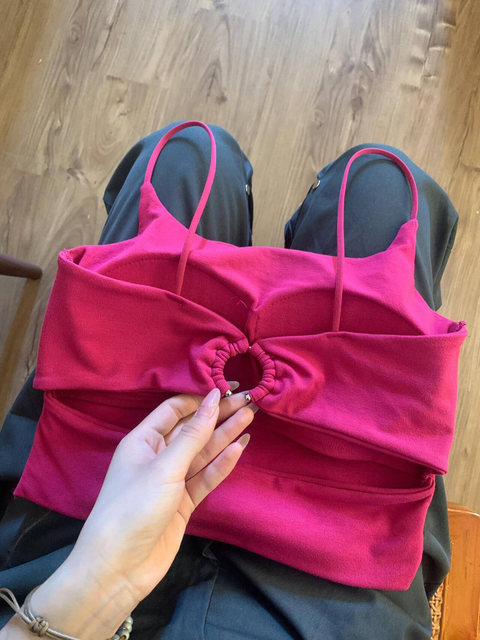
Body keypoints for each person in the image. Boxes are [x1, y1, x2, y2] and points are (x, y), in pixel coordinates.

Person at [0, 122, 459, 639]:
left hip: (85, 533)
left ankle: (262, 248)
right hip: (337, 569)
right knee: (384, 184)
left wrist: (90, 589)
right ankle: (299, 251)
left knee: (189, 153)